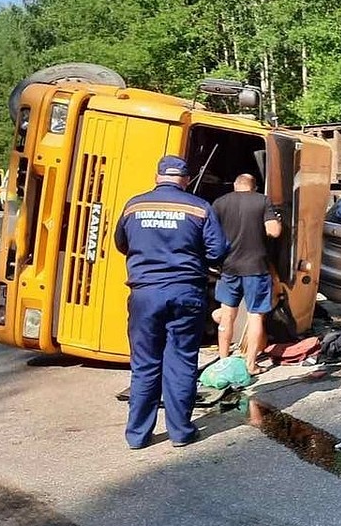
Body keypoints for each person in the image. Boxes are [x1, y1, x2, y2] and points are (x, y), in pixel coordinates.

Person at [114, 155, 228, 449]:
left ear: (157, 177)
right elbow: (217, 252)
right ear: (186, 180)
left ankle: (138, 436)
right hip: (185, 292)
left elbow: (121, 244)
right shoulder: (199, 208)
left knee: (145, 364)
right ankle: (180, 432)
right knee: (181, 362)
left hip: (145, 294)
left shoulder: (134, 206)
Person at [211, 173, 282, 375]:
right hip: (256, 268)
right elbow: (274, 231)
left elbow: (210, 234)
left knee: (226, 316)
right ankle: (251, 364)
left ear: (235, 185)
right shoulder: (262, 201)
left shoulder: (220, 203)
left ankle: (223, 362)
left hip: (229, 267)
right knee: (255, 316)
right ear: (254, 186)